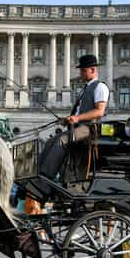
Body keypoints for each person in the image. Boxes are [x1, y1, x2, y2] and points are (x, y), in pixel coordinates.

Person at [38, 54, 109, 183]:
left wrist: (77, 118)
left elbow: (100, 111)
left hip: (90, 129)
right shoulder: (85, 89)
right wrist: (67, 120)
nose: (80, 73)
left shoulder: (100, 87)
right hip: (78, 128)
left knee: (62, 141)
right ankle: (38, 173)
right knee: (50, 142)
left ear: (92, 70)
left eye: (83, 70)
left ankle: (46, 178)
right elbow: (79, 111)